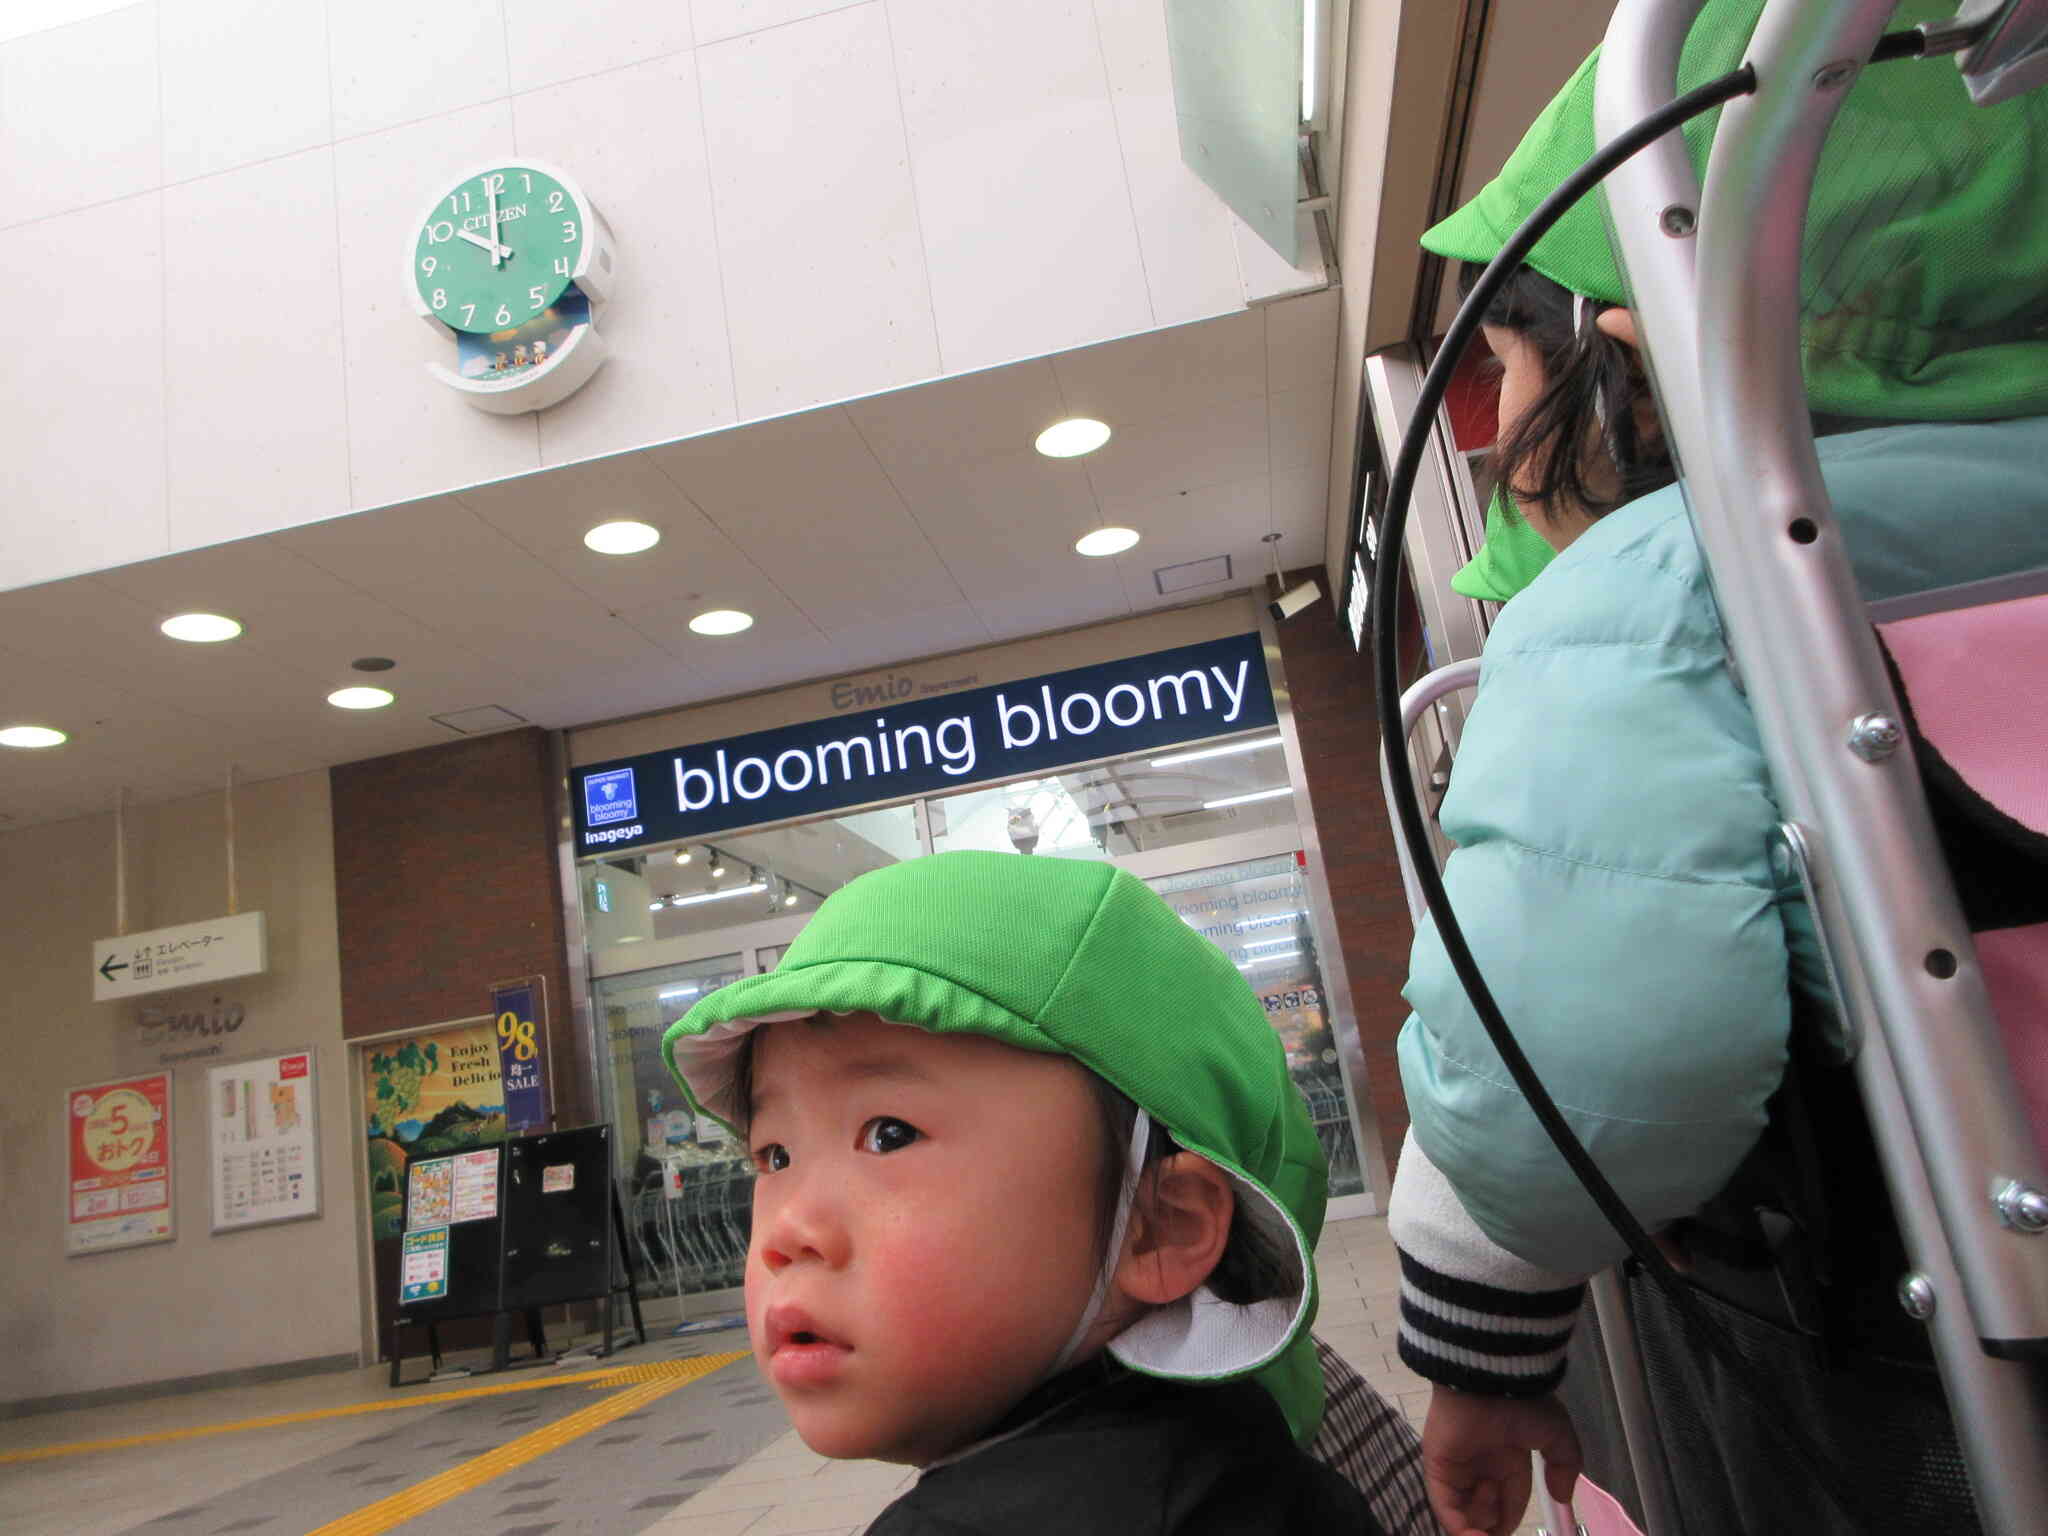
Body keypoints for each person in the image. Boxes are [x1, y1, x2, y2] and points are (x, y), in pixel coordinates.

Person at [1380, 3, 2048, 1533]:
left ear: (1632, 341)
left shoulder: (1678, 583)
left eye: (1500, 378)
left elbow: (1593, 1067)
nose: (1496, 444)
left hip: (1937, 1362)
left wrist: (1479, 1336)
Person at [660, 850, 1395, 1535]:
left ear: (1159, 1227)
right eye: (775, 1154)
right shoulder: (1253, 1444)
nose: (789, 1230)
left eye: (889, 1134)